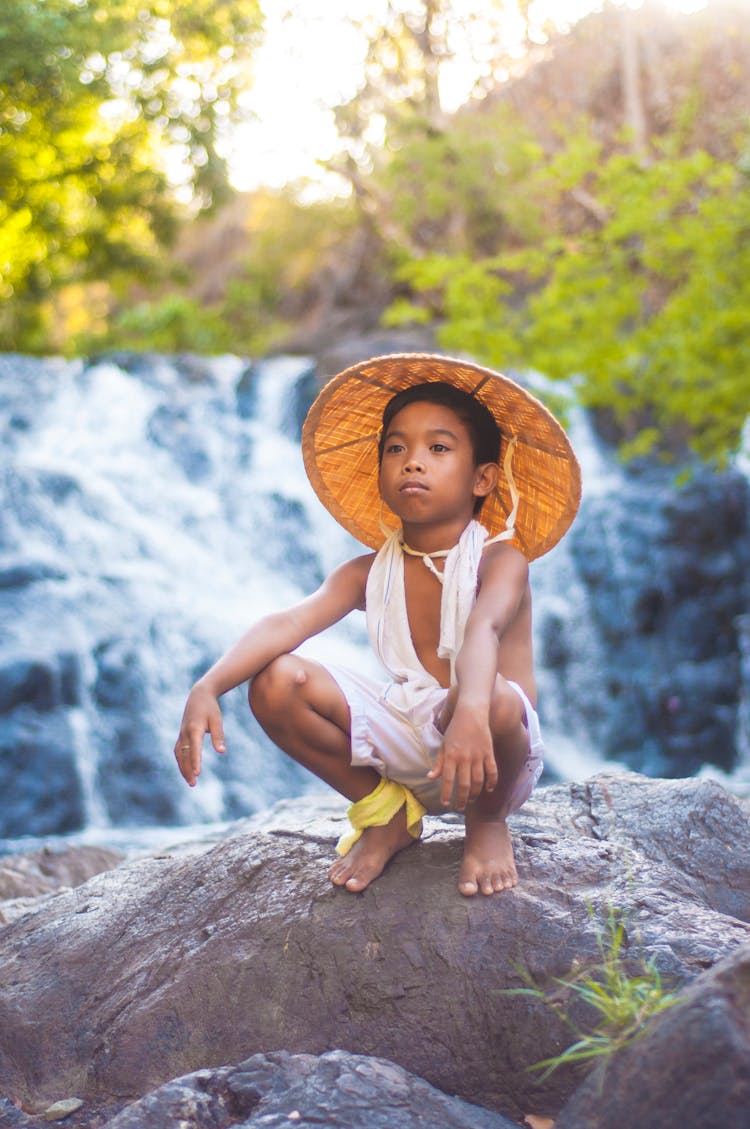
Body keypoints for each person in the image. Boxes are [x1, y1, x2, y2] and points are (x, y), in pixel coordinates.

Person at [174, 353, 580, 897]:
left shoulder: (500, 561)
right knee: (274, 681)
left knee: (486, 694)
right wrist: (209, 686)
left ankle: (486, 825)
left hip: (491, 746)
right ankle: (386, 812)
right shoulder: (368, 572)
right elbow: (290, 620)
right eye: (396, 448)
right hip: (407, 736)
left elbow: (482, 631)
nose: (413, 461)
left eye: (438, 448)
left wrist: (472, 711)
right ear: (381, 471)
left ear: (483, 478)